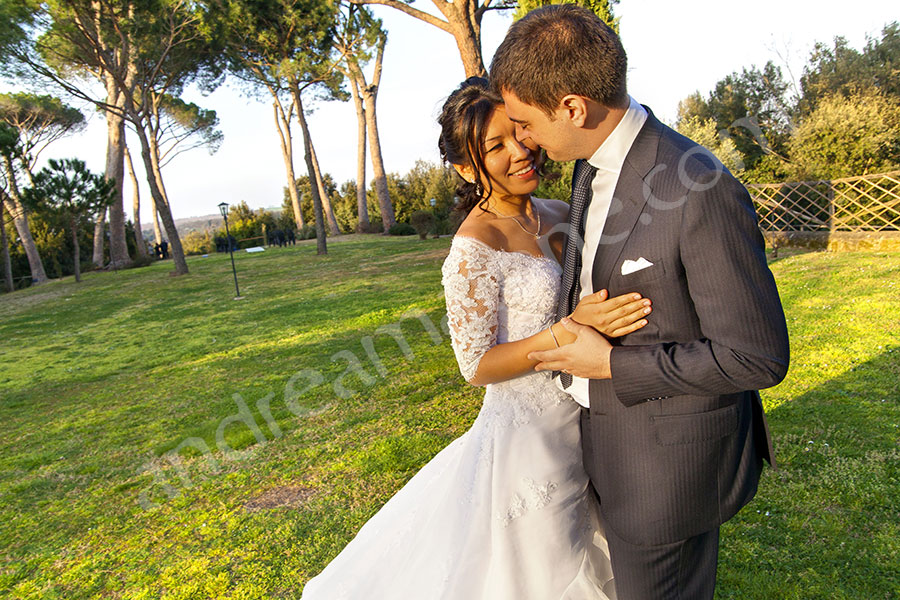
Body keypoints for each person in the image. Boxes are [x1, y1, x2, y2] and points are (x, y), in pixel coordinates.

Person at [301, 77, 655, 599]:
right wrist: (567, 329)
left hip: (593, 415)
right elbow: (476, 365)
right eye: (495, 146)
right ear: (467, 167)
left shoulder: (560, 213)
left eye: (520, 132)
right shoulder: (474, 246)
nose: (520, 151)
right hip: (529, 437)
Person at [490, 6, 790, 599]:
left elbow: (756, 357)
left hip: (665, 477)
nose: (523, 137)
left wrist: (610, 366)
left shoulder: (696, 185)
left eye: (525, 121)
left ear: (573, 107)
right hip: (604, 449)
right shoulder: (588, 168)